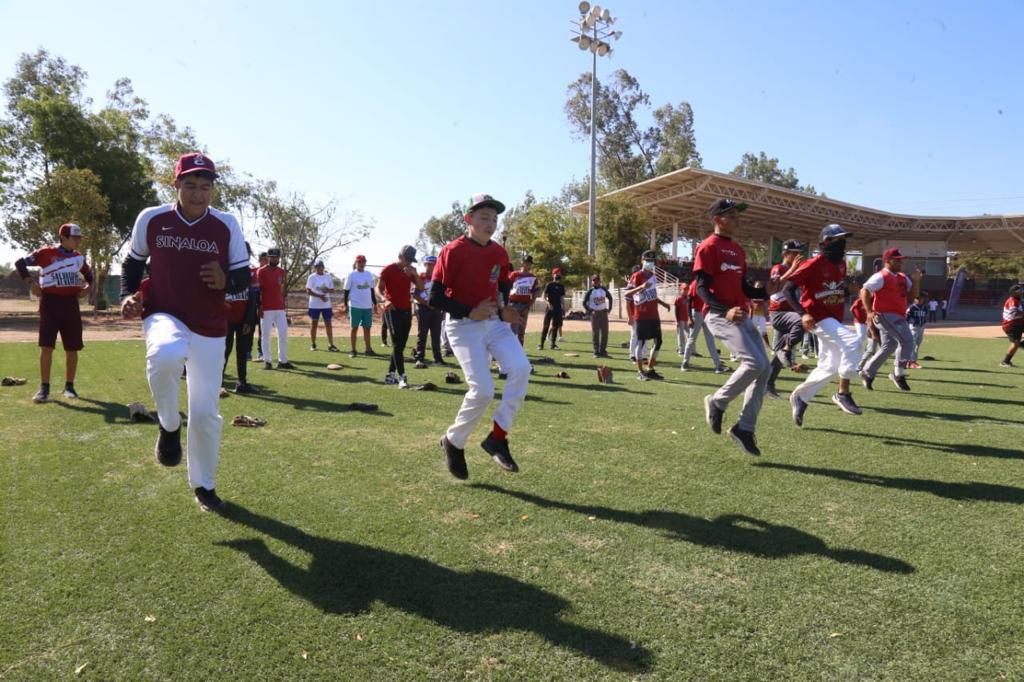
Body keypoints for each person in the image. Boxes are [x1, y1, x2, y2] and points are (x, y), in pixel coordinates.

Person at [119, 152, 250, 512]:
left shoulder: (226, 225)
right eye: (190, 185)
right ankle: (168, 424)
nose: (197, 194)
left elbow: (241, 276)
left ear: (212, 190)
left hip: (210, 324)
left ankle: (204, 486)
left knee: (206, 412)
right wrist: (129, 295)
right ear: (175, 185)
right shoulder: (152, 219)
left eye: (205, 187)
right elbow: (133, 263)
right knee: (165, 355)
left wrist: (226, 280)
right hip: (165, 312)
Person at [431, 194, 530, 479]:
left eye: (494, 218)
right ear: (468, 219)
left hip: (494, 323)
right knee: (483, 390)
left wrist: (506, 311)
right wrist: (468, 311)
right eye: (484, 217)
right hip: (463, 326)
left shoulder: (499, 252)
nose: (491, 223)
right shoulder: (453, 250)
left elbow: (500, 290)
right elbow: (435, 296)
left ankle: (497, 437)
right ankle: (453, 441)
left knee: (522, 368)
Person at [694, 198, 770, 457]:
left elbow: (744, 288)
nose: (738, 219)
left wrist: (765, 290)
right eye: (732, 215)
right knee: (754, 363)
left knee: (765, 368)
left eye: (738, 215)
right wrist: (723, 310)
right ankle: (718, 401)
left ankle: (744, 428)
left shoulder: (738, 250)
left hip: (742, 316)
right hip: (720, 315)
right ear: (717, 219)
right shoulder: (707, 247)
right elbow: (701, 288)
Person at [783, 224, 864, 427]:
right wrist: (803, 314)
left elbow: (831, 291)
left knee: (831, 364)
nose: (842, 244)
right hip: (817, 317)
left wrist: (847, 291)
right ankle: (843, 393)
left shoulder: (841, 264)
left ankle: (801, 397)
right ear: (825, 242)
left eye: (844, 240)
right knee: (853, 341)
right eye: (838, 240)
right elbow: (788, 289)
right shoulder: (813, 263)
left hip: (833, 318)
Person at [15, 222, 93, 403]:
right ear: (63, 238)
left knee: (72, 347)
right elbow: (20, 263)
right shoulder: (45, 253)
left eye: (79, 238)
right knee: (47, 346)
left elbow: (89, 276)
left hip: (71, 304)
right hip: (50, 303)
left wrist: (87, 288)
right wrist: (30, 283)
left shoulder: (79, 258)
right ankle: (44, 389)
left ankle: (69, 387)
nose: (78, 241)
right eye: (75, 238)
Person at [858, 247, 921, 392]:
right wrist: (868, 311)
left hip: (898, 315)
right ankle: (898, 374)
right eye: (897, 260)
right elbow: (864, 290)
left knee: (889, 346)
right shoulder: (881, 276)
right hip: (885, 315)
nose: (901, 263)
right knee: (908, 341)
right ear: (888, 261)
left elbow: (912, 296)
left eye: (901, 260)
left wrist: (917, 281)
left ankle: (867, 372)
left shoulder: (902, 277)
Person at [377, 245, 424, 388]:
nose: (409, 262)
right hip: (392, 310)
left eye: (411, 260)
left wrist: (414, 275)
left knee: (401, 345)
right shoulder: (388, 269)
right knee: (397, 344)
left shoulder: (412, 270)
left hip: (406, 310)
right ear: (400, 256)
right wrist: (385, 300)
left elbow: (421, 288)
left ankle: (390, 375)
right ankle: (402, 377)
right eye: (407, 259)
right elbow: (378, 288)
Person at [765, 240, 806, 398]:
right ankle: (787, 349)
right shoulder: (778, 267)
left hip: (788, 315)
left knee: (778, 356)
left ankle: (767, 385)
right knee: (801, 321)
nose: (797, 256)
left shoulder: (794, 269)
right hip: (779, 313)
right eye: (794, 253)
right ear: (785, 254)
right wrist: (794, 269)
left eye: (798, 253)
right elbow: (776, 285)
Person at [622, 250, 671, 380]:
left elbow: (653, 294)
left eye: (652, 261)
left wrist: (663, 303)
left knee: (658, 341)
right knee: (641, 342)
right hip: (641, 315)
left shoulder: (653, 276)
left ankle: (650, 369)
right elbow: (627, 294)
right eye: (647, 260)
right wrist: (641, 286)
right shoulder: (636, 276)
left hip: (654, 315)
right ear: (642, 261)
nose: (650, 263)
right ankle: (640, 371)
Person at [223, 242, 259, 394]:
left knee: (242, 351)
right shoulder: (224, 271)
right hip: (225, 318)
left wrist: (250, 320)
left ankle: (242, 382)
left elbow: (253, 299)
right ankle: (218, 382)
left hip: (243, 319)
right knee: (224, 350)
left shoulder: (251, 274)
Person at [257, 248, 294, 369]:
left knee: (283, 334)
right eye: (272, 257)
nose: (274, 259)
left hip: (279, 308)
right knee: (265, 335)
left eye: (276, 257)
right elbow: (258, 291)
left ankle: (282, 361)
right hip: (266, 308)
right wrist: (259, 307)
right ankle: (267, 361)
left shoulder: (282, 272)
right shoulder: (261, 271)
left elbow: (281, 290)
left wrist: (284, 307)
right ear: (268, 257)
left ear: (279, 258)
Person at [681, 276, 724, 372]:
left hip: (707, 314)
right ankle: (685, 362)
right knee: (692, 339)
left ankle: (718, 365)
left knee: (710, 341)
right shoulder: (694, 283)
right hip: (696, 313)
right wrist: (689, 317)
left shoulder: (708, 283)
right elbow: (689, 300)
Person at [342, 255, 378, 357]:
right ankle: (353, 350)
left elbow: (371, 290)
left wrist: (375, 304)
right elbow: (346, 290)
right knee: (354, 328)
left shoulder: (369, 274)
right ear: (356, 263)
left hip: (367, 306)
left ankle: (368, 349)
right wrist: (345, 304)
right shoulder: (351, 275)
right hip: (355, 306)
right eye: (360, 262)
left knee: (367, 328)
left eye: (363, 261)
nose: (362, 264)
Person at [413, 255, 445, 368]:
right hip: (423, 309)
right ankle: (419, 358)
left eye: (433, 265)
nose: (430, 267)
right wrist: (427, 304)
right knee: (422, 334)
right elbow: (415, 294)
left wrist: (442, 310)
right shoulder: (420, 277)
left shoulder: (439, 278)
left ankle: (438, 358)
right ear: (425, 264)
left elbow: (443, 295)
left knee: (436, 334)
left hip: (436, 309)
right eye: (428, 264)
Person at [507, 254, 541, 347]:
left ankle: (520, 351)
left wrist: (529, 305)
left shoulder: (533, 277)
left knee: (521, 330)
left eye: (530, 264)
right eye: (526, 263)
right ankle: (510, 350)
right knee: (512, 329)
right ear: (522, 263)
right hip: (513, 304)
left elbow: (534, 293)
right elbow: (506, 287)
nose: (528, 265)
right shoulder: (514, 274)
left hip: (525, 305)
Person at [306, 259, 338, 352]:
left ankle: (331, 345)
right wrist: (320, 296)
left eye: (321, 267)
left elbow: (332, 290)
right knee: (314, 324)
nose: (320, 268)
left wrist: (327, 290)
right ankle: (313, 344)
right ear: (315, 268)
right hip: (314, 305)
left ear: (324, 267)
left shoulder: (328, 276)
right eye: (317, 267)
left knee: (328, 324)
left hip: (326, 305)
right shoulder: (312, 277)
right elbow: (308, 291)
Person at [583, 274, 613, 357]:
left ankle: (603, 351)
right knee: (595, 333)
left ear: (600, 281)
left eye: (597, 280)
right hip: (595, 314)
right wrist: (590, 311)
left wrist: (609, 308)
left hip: (603, 313)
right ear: (592, 282)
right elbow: (584, 302)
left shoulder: (603, 289)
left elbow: (610, 298)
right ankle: (596, 352)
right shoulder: (590, 291)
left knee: (605, 333)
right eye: (594, 280)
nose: (596, 282)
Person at [539, 268, 566, 350]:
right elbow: (543, 297)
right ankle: (541, 344)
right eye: (556, 273)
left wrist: (563, 309)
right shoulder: (549, 285)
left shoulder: (561, 286)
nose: (558, 275)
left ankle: (553, 344)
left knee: (555, 326)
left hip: (558, 309)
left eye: (559, 273)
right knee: (546, 326)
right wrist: (548, 303)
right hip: (550, 308)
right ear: (552, 275)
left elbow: (562, 299)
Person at [999, 284, 1024, 367]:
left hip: (1018, 323)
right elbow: (1015, 314)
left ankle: (1022, 344)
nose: (1021, 292)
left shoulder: (1018, 300)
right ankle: (1005, 362)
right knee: (1015, 343)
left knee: (1017, 343)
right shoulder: (1012, 301)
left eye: (1021, 290)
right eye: (1019, 291)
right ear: (1014, 293)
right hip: (1011, 325)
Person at [905, 295, 928, 369]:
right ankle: (910, 362)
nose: (919, 300)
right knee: (913, 344)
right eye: (917, 299)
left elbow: (925, 316)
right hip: (913, 327)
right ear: (915, 299)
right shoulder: (911, 307)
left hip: (921, 327)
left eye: (920, 299)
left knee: (917, 345)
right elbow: (906, 318)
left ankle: (913, 361)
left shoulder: (924, 307)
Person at [252, 251, 267, 361]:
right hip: (252, 303)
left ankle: (261, 351)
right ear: (259, 260)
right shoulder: (253, 271)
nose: (265, 261)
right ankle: (247, 351)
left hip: (264, 304)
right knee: (250, 327)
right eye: (263, 259)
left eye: (267, 259)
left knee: (262, 329)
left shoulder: (270, 272)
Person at [673, 281, 690, 357]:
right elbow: (676, 310)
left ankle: (689, 349)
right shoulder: (679, 298)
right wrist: (677, 321)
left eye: (687, 289)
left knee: (690, 335)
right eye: (684, 289)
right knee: (681, 335)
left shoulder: (688, 298)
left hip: (687, 319)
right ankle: (681, 350)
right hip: (680, 319)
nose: (686, 290)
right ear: (681, 289)